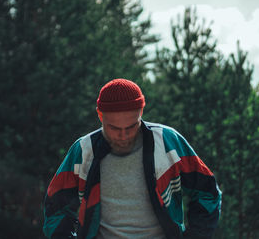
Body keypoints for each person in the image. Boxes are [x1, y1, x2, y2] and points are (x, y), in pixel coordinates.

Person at [43, 78, 222, 239]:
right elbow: (55, 204)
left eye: (131, 127)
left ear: (141, 112)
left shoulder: (168, 142)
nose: (123, 135)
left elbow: (207, 192)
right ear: (100, 116)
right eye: (114, 128)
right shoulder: (83, 151)